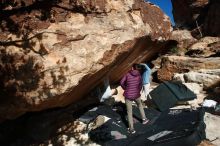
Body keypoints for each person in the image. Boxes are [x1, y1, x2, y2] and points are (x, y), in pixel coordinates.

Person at [120, 64, 149, 134]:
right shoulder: (139, 76)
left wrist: (125, 88)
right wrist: (138, 91)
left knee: (129, 112)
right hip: (136, 95)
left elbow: (121, 82)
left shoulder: (127, 74)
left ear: (132, 68)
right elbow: (141, 85)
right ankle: (144, 119)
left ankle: (131, 129)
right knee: (140, 106)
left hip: (128, 96)